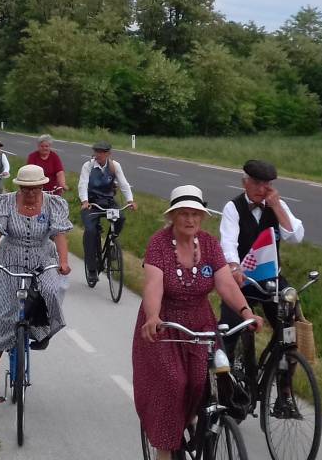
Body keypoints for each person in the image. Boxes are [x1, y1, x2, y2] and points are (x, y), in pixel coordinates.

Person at [133, 185, 263, 459]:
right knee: (174, 382)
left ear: (202, 217)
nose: (190, 220)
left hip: (201, 324)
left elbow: (225, 283)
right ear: (172, 216)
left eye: (195, 214)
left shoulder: (210, 244)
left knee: (201, 382)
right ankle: (165, 448)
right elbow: (154, 284)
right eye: (184, 214)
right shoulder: (159, 244)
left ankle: (190, 421)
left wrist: (246, 312)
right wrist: (153, 316)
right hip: (166, 327)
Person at [0, 164, 72, 403]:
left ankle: (40, 330)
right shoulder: (5, 203)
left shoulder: (53, 204)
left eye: (35, 188)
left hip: (42, 258)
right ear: (19, 187)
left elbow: (59, 234)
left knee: (51, 289)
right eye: (26, 189)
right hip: (10, 258)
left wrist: (63, 261)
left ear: (42, 187)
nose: (30, 193)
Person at [218, 159, 305, 359]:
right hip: (242, 279)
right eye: (256, 183)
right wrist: (234, 267)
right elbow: (228, 243)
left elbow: (296, 237)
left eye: (266, 184)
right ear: (244, 183)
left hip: (271, 278)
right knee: (229, 330)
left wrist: (277, 207)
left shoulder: (278, 205)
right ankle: (223, 371)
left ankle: (280, 369)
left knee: (289, 329)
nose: (261, 189)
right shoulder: (233, 207)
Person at [78, 140, 137, 286]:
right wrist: (84, 201)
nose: (98, 154)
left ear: (108, 154)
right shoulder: (88, 166)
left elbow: (123, 184)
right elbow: (83, 184)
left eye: (102, 152)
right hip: (92, 203)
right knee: (90, 231)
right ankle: (92, 269)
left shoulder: (114, 166)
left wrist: (130, 200)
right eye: (96, 151)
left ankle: (112, 243)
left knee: (120, 218)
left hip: (108, 201)